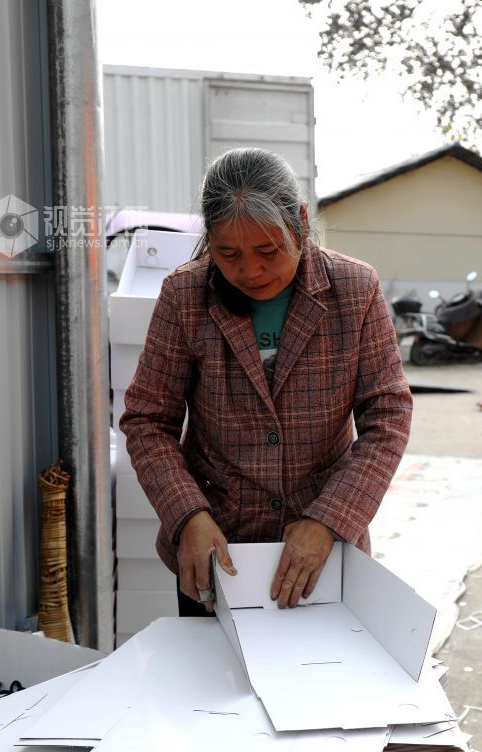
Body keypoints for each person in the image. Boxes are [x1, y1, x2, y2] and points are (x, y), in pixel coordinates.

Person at [119, 147, 413, 616]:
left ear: (300, 223)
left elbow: (388, 418)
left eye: (268, 251)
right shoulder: (185, 296)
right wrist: (188, 514)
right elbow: (148, 421)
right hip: (217, 549)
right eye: (228, 253)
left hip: (323, 551)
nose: (250, 271)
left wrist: (328, 519)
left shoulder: (355, 290)